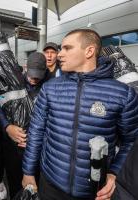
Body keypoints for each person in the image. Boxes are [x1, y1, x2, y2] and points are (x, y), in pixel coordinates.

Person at [22, 29, 138, 200]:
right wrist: (28, 171)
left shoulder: (123, 94)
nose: (59, 54)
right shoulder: (50, 88)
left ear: (89, 51)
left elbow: (131, 140)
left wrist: (114, 173)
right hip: (50, 184)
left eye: (67, 48)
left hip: (94, 191)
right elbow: (36, 132)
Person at [0, 52, 47, 198]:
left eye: (38, 76)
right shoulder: (13, 83)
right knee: (14, 184)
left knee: (35, 188)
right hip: (12, 147)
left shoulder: (50, 87)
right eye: (31, 75)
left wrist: (38, 138)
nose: (34, 79)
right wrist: (7, 127)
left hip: (36, 149)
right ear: (25, 68)